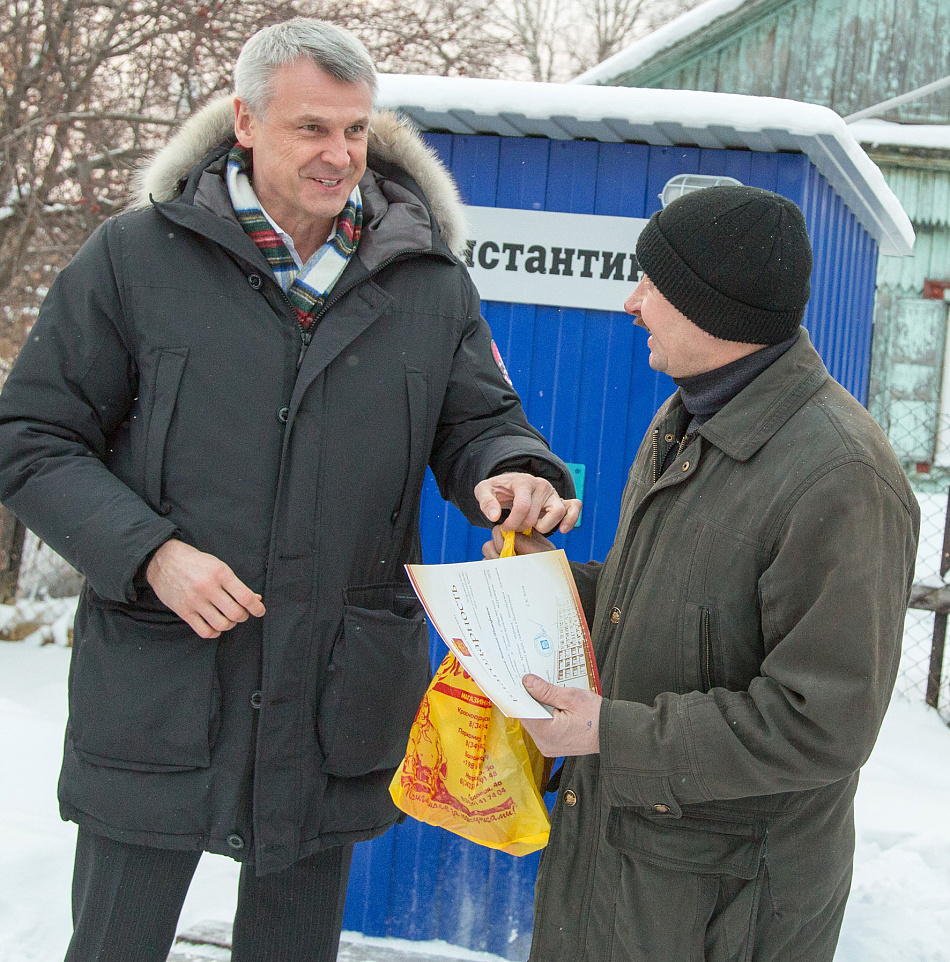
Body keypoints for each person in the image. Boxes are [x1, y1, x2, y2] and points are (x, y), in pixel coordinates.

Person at [0, 18, 580, 962]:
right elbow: (29, 436)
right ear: (245, 121)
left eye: (355, 131)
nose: (339, 155)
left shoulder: (426, 280)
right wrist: (150, 554)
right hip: (162, 684)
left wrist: (513, 470)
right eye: (312, 128)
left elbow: (478, 422)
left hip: (331, 693)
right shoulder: (135, 260)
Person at [484, 186, 920, 962]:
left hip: (724, 913)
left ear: (714, 307)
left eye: (652, 285)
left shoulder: (841, 478)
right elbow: (657, 606)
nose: (632, 303)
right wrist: (548, 580)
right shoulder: (687, 419)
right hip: (621, 876)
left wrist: (607, 733)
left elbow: (821, 725)